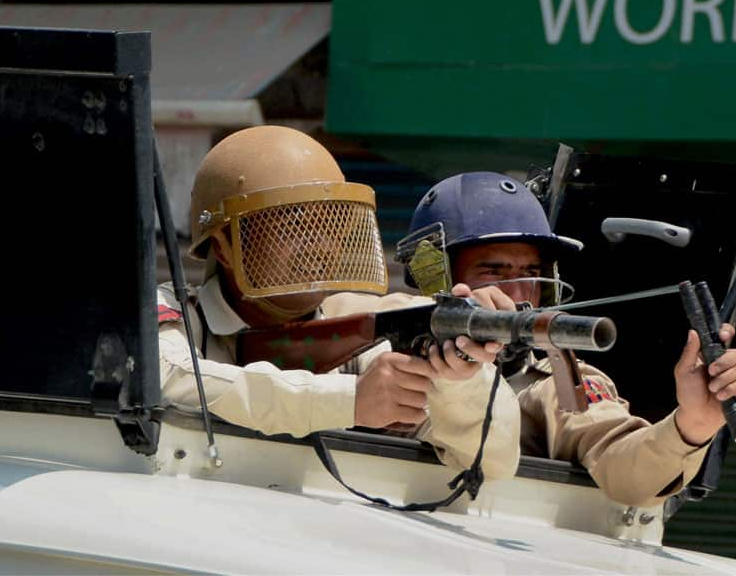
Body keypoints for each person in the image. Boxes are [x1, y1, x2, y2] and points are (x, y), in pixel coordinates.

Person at [344, 171, 736, 507]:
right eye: (495, 272)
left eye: (531, 274)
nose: (518, 295)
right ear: (438, 277)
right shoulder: (378, 329)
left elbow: (628, 472)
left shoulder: (552, 380)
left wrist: (692, 424)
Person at [157, 127, 520, 479]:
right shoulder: (176, 314)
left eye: (331, 225)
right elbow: (172, 380)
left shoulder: (362, 327)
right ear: (223, 247)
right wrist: (350, 400)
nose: (321, 245)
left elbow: (494, 462)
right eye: (293, 226)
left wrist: (458, 379)